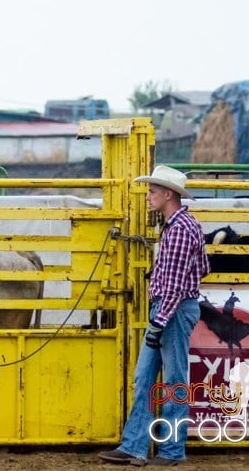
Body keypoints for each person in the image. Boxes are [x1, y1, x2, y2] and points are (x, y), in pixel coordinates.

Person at [99, 166, 208, 467]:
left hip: (169, 311)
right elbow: (203, 269)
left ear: (168, 194)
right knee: (151, 378)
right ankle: (139, 446)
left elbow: (173, 287)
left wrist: (158, 323)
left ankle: (165, 450)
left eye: (152, 192)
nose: (148, 197)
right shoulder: (183, 226)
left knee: (165, 379)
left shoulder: (179, 229)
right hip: (173, 309)